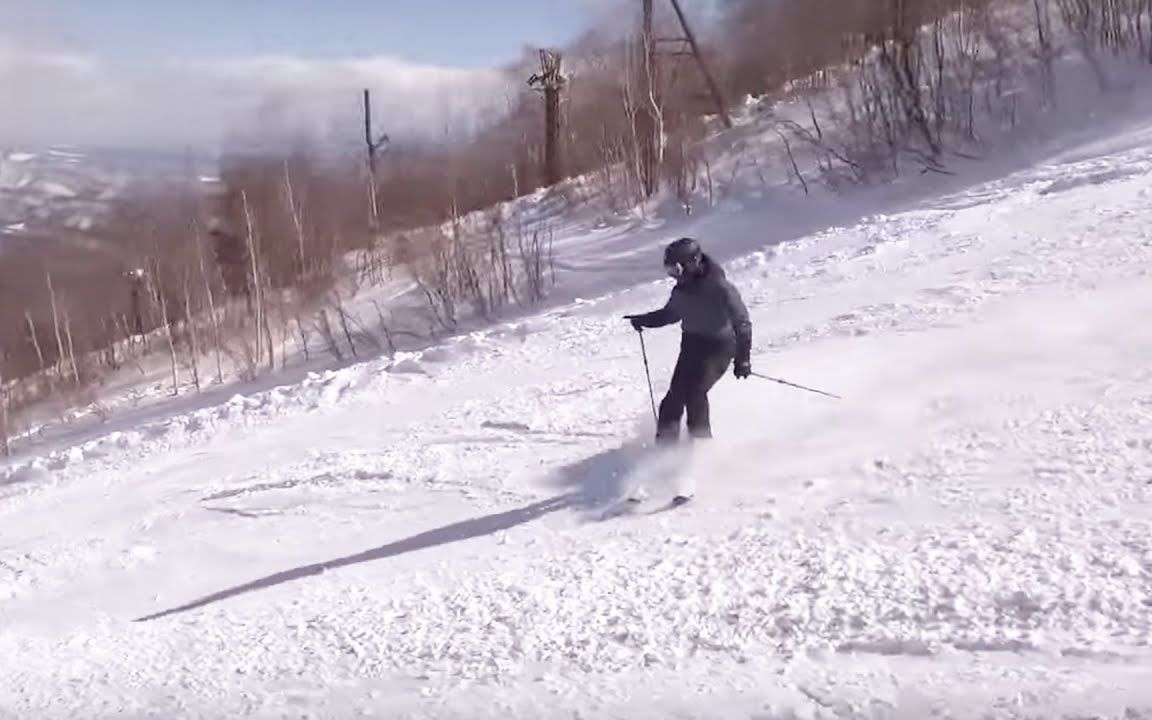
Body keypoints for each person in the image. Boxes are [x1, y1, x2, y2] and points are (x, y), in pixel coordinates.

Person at [625, 237, 752, 445]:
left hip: (718, 347)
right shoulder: (681, 290)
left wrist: (743, 359)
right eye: (670, 271)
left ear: (692, 263)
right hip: (692, 345)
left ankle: (701, 446)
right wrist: (644, 320)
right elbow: (671, 315)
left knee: (695, 393)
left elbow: (743, 323)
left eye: (676, 270)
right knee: (672, 401)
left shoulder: (720, 288)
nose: (674, 276)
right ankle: (665, 450)